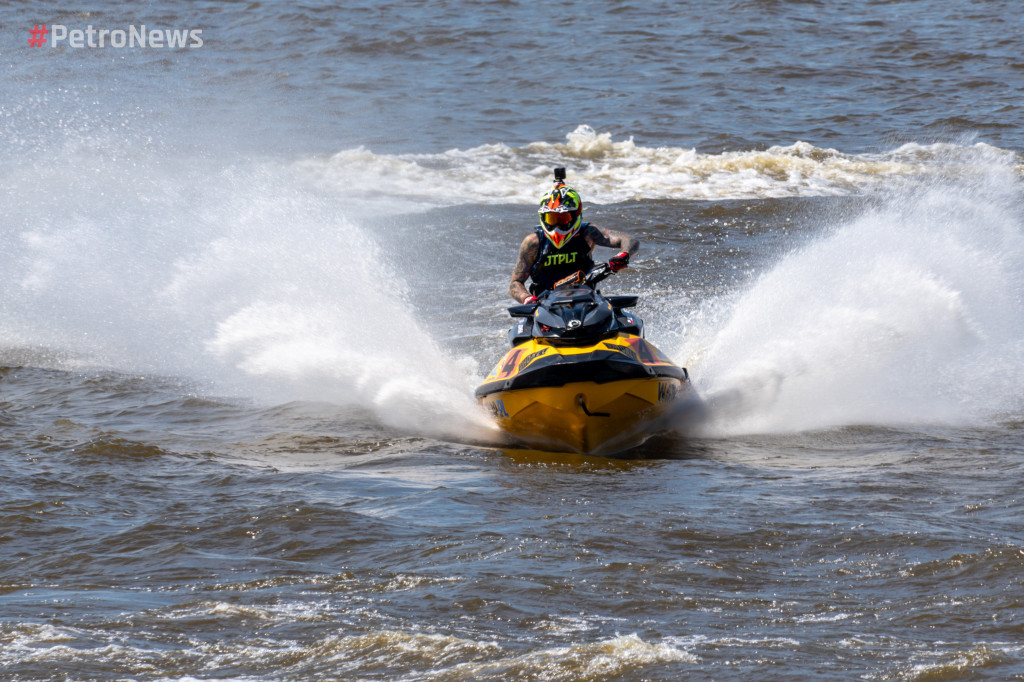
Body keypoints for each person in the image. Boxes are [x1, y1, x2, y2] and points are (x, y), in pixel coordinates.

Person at [509, 171, 639, 304]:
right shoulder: (533, 242)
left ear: (576, 215)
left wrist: (624, 254)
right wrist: (528, 299)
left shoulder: (588, 233)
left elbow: (629, 240)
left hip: (585, 301)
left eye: (563, 218)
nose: (557, 225)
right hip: (544, 305)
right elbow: (516, 282)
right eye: (552, 218)